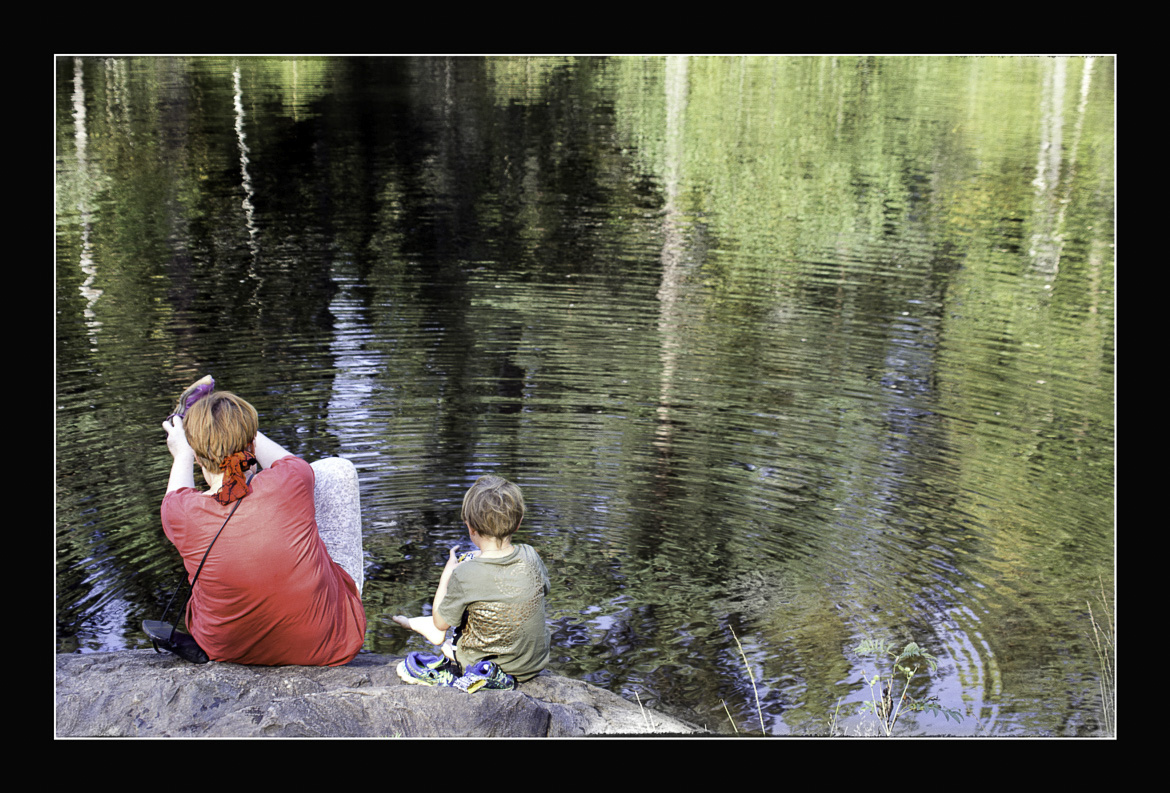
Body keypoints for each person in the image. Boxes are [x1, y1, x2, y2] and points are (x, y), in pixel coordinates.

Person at [159, 383, 366, 666]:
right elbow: (275, 456)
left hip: (227, 651)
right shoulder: (291, 478)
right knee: (335, 471)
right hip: (328, 643)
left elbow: (178, 488)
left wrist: (183, 450)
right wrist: (235, 422)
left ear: (195, 455)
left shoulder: (178, 511)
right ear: (252, 444)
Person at [393, 475, 550, 691]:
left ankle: (453, 655)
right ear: (519, 522)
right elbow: (543, 590)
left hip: (491, 667)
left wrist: (447, 573)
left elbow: (442, 622)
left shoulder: (466, 572)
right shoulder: (530, 555)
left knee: (446, 627)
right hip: (533, 663)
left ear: (470, 528)